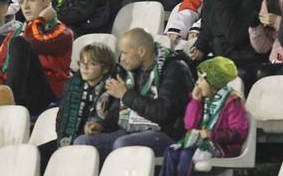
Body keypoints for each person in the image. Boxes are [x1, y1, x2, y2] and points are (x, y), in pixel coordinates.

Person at [75, 27, 195, 158]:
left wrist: (126, 95)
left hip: (166, 134)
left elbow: (163, 112)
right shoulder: (129, 71)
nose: (122, 58)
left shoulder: (174, 68)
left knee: (123, 144)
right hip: (130, 131)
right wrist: (101, 126)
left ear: (141, 51)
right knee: (83, 142)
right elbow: (120, 112)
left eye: (125, 53)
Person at [154, 55, 249, 176]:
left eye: (200, 79)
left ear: (213, 82)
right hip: (200, 143)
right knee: (172, 152)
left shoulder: (232, 101)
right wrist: (195, 102)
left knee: (187, 155)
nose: (197, 83)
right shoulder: (203, 99)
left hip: (222, 147)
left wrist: (211, 134)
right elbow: (189, 125)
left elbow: (239, 132)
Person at [42, 40, 120, 164]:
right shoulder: (73, 86)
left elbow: (114, 118)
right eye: (82, 63)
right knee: (35, 154)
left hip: (95, 138)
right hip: (70, 137)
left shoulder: (114, 87)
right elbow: (62, 117)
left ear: (105, 69)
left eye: (92, 64)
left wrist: (99, 126)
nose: (84, 68)